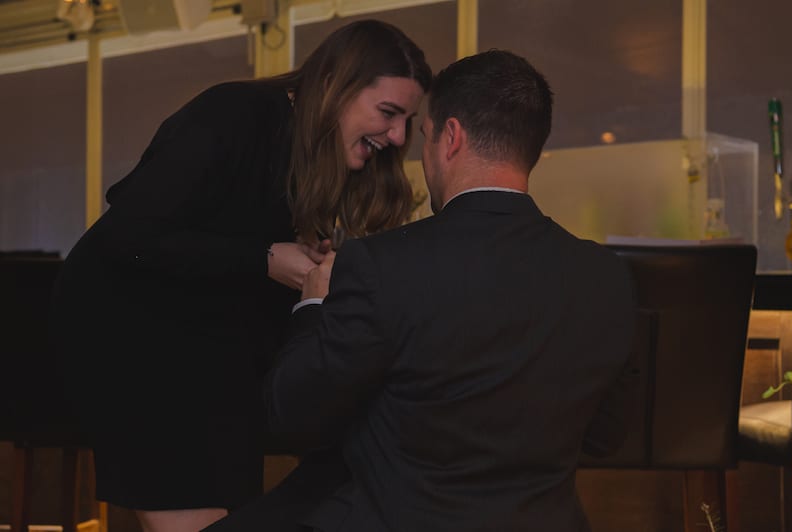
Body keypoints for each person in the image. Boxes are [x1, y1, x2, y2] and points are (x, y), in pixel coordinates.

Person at [203, 50, 636, 532]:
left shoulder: (381, 265)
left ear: (450, 138)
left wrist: (312, 304)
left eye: (424, 137)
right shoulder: (606, 275)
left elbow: (291, 417)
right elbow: (605, 436)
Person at [48, 20, 431, 532]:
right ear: (336, 82)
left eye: (408, 120)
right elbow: (130, 235)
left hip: (211, 356)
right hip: (134, 340)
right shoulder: (232, 115)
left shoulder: (313, 158)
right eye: (389, 113)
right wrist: (266, 258)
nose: (399, 136)